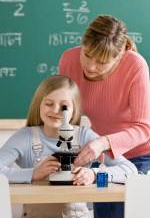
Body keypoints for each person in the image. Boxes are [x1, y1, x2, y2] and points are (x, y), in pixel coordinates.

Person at [58, 15, 150, 218]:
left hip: (145, 152)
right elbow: (66, 113)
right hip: (108, 156)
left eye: (101, 62)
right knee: (106, 212)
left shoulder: (135, 65)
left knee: (136, 213)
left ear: (119, 57)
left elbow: (142, 128)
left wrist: (102, 143)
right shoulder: (68, 60)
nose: (91, 66)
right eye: (88, 54)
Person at [0, 75, 137, 218]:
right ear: (38, 104)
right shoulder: (25, 137)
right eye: (49, 103)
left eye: (64, 106)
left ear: (74, 109)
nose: (55, 110)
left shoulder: (84, 136)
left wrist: (94, 174)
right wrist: (33, 174)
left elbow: (130, 170)